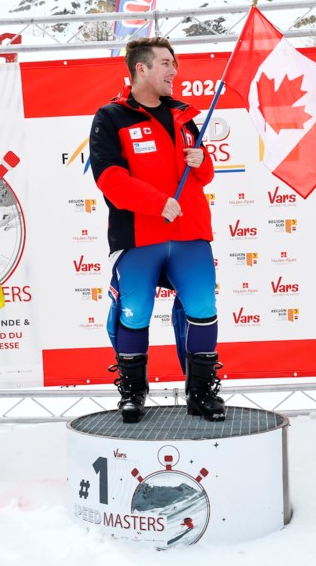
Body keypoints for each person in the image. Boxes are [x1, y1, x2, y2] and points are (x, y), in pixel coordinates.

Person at [88, 37, 225, 423]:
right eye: (166, 63)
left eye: (175, 64)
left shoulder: (184, 114)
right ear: (141, 69)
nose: (173, 71)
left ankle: (200, 393)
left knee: (203, 307)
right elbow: (110, 178)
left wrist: (201, 160)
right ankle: (133, 393)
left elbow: (206, 175)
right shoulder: (111, 116)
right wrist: (156, 202)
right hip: (139, 236)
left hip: (190, 233)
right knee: (135, 312)